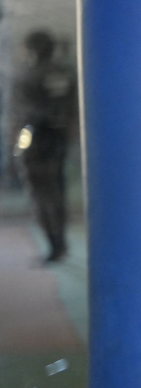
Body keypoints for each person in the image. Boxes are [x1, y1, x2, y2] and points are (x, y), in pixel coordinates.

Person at [15, 30, 76, 262]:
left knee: (41, 194)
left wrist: (19, 149)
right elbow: (71, 109)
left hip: (36, 140)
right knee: (58, 191)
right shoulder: (66, 74)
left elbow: (27, 119)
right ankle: (61, 242)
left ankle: (54, 244)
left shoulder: (28, 76)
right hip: (59, 140)